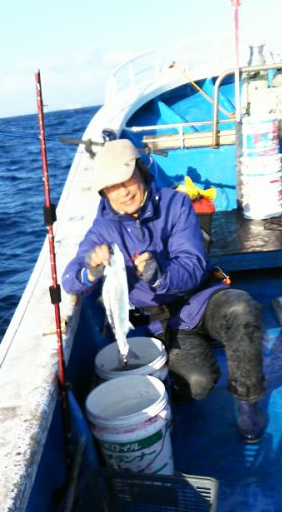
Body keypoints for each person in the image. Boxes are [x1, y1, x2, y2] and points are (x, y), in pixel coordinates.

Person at [62, 139, 266, 442]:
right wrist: (90, 270)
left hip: (203, 299)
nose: (124, 192)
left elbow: (194, 263)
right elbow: (70, 279)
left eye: (127, 179)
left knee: (242, 309)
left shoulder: (175, 203)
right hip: (166, 323)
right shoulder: (102, 229)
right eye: (112, 187)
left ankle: (248, 404)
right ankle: (180, 379)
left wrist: (160, 276)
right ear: (104, 193)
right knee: (197, 384)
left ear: (141, 172)